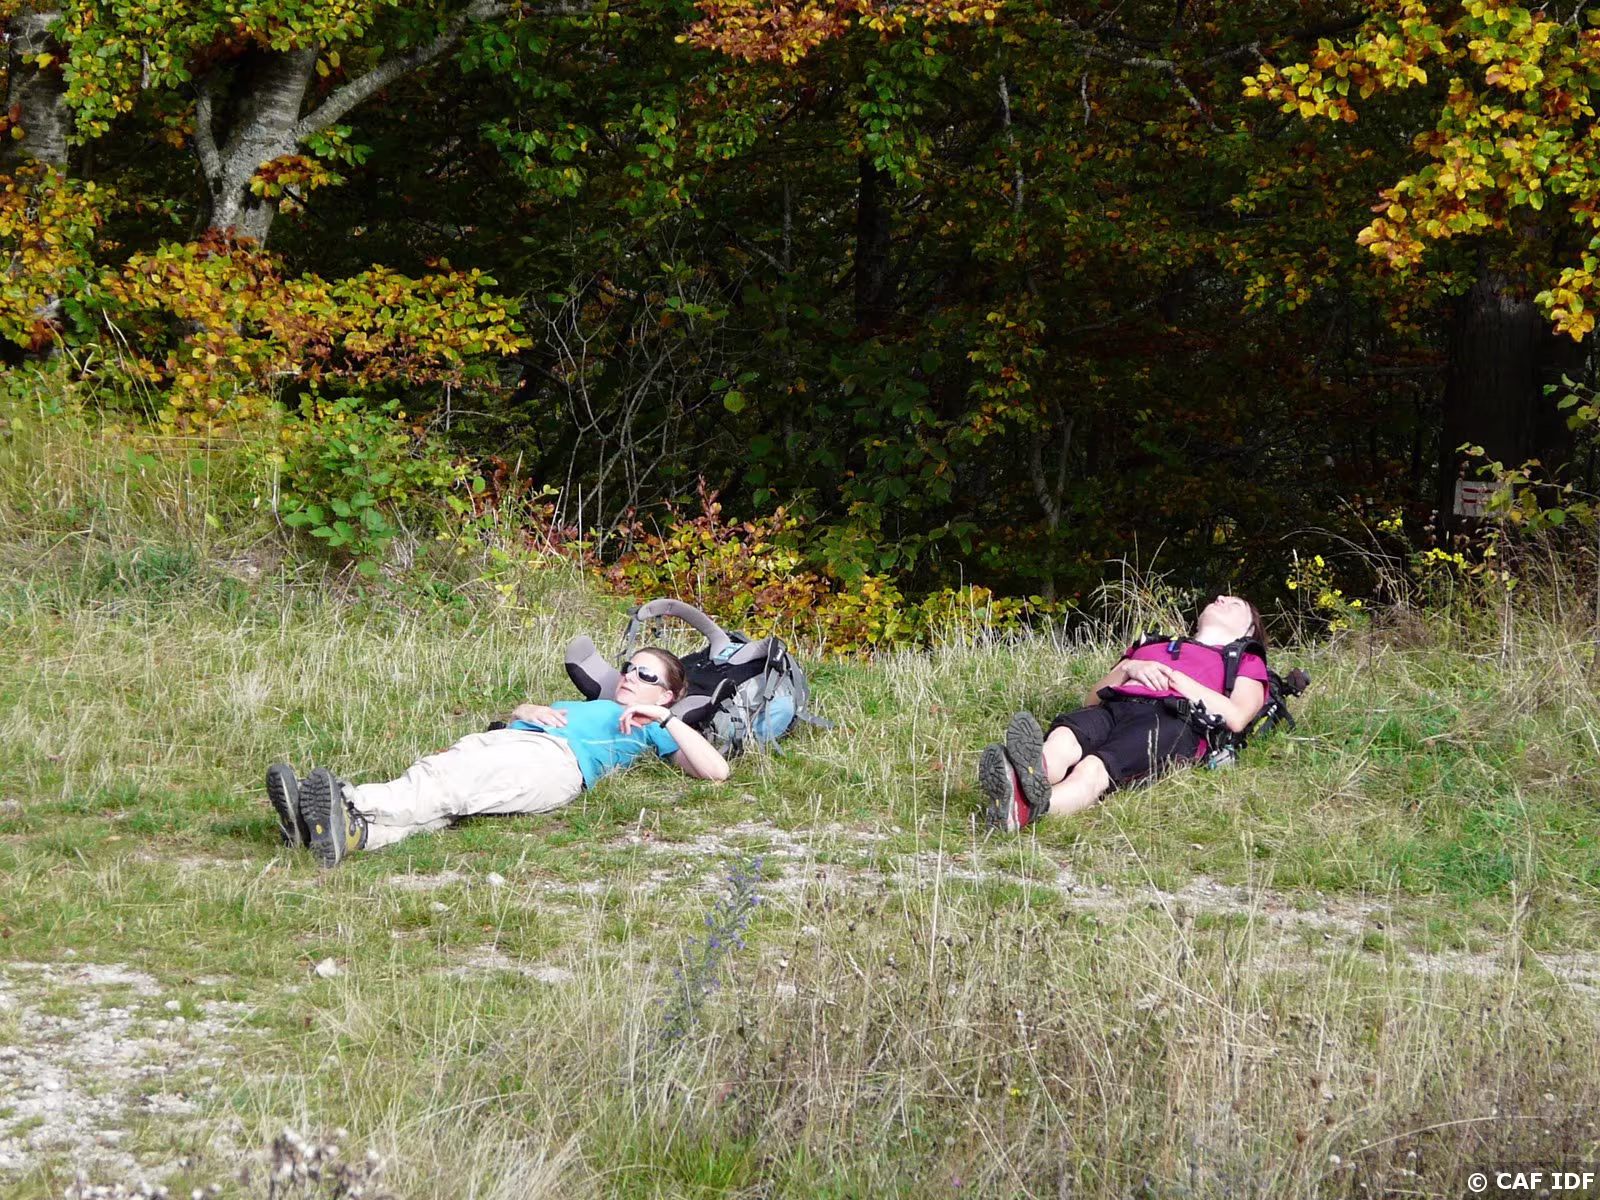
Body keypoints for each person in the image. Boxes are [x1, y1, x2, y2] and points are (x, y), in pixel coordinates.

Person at [265, 647, 730, 866]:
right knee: (443, 799)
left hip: (553, 761)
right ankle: (346, 834)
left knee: (449, 785)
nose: (629, 676)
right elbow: (523, 720)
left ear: (665, 694)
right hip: (508, 741)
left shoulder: (653, 726)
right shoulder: (594, 706)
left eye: (645, 674)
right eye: (629, 667)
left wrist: (664, 719)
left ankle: (345, 800)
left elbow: (716, 771)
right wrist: (524, 710)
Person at [980, 595, 1268, 831]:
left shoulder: (1245, 658)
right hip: (1113, 706)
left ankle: (1027, 807)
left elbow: (1237, 717)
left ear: (1248, 630)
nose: (1221, 598)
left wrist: (1173, 678)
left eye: (1235, 604)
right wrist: (1130, 667)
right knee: (1063, 740)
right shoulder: (1151, 644)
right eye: (1222, 597)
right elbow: (1092, 698)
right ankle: (1026, 776)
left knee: (1093, 767)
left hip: (1172, 719)